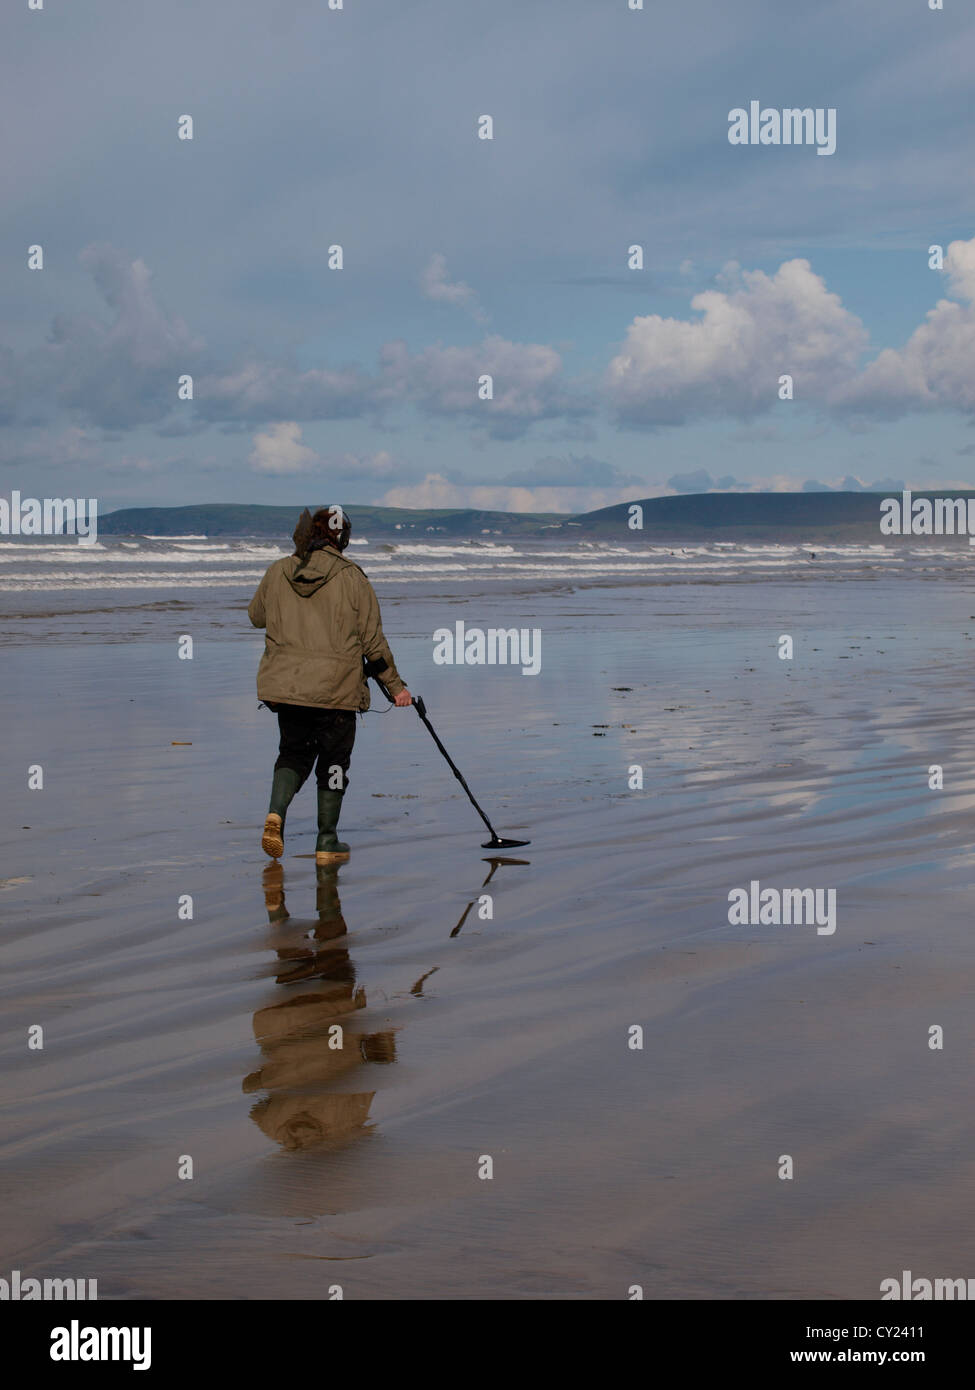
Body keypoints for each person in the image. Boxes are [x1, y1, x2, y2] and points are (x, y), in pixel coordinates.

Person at [248, 505, 412, 864]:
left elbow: (256, 616)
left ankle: (276, 813)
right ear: (344, 538)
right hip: (336, 693)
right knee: (334, 765)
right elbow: (373, 644)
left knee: (292, 753)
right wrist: (396, 688)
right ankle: (327, 840)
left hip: (288, 690)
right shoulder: (354, 577)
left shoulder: (279, 570)